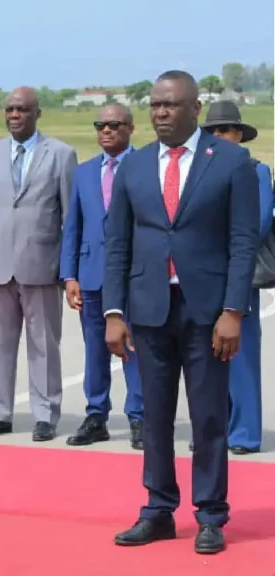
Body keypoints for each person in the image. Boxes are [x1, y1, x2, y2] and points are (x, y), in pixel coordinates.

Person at [106, 70, 259, 555]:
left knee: (210, 416)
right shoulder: (135, 166)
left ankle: (211, 514)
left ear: (195, 108)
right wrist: (113, 311)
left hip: (207, 312)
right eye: (154, 105)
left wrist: (233, 310)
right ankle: (158, 510)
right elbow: (118, 244)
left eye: (170, 105)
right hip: (149, 309)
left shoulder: (232, 162)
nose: (160, 113)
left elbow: (242, 242)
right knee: (154, 416)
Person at [0, 87, 78, 442]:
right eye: (10, 110)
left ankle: (45, 413)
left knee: (44, 345)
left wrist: (67, 269)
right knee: (0, 343)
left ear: (37, 114)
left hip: (42, 264)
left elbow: (69, 216)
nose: (15, 116)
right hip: (0, 264)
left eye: (22, 110)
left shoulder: (61, 155)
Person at [60, 103, 144, 449]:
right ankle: (96, 415)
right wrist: (69, 276)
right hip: (92, 273)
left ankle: (140, 417)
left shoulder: (145, 166)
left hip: (134, 275)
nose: (106, 130)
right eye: (100, 125)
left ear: (130, 129)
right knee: (95, 349)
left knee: (134, 348)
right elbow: (73, 227)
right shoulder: (84, 172)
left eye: (114, 124)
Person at [200, 100, 272, 456]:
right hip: (203, 273)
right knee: (207, 356)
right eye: (213, 130)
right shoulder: (199, 170)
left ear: (239, 134)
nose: (219, 136)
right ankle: (218, 427)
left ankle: (245, 432)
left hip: (237, 273)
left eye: (226, 129)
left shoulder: (255, 170)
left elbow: (256, 224)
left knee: (241, 355)